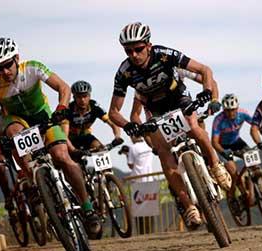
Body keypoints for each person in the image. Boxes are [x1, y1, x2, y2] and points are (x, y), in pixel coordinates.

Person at [108, 22, 230, 228]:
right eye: (128, 51)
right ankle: (188, 205)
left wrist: (209, 93)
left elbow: (204, 70)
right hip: (154, 108)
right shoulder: (125, 72)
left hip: (177, 97)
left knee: (192, 124)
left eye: (138, 49)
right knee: (163, 151)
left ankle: (216, 165)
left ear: (148, 45)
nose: (134, 55)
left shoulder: (164, 55)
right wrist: (130, 126)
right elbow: (114, 112)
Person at [0, 37, 101, 237]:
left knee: (62, 157)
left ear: (17, 58)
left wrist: (61, 107)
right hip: (17, 120)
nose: (5, 71)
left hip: (42, 117)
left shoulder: (33, 68)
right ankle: (35, 183)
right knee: (12, 131)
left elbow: (64, 87)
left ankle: (88, 208)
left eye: (8, 65)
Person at [59, 80, 122, 155]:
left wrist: (117, 137)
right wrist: (73, 150)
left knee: (101, 151)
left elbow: (113, 123)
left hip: (86, 136)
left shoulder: (94, 106)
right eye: (79, 97)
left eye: (85, 96)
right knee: (73, 163)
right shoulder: (68, 110)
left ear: (89, 96)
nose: (82, 100)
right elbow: (64, 135)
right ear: (74, 97)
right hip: (70, 139)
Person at [211, 93, 253, 192]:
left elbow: (256, 125)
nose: (231, 113)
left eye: (233, 110)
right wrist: (223, 152)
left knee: (253, 162)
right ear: (224, 110)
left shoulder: (243, 113)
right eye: (228, 111)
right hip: (222, 147)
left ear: (237, 108)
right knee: (234, 173)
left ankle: (256, 183)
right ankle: (238, 193)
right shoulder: (218, 120)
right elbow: (214, 142)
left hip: (236, 142)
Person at [119, 136, 155, 234]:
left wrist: (127, 154)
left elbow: (130, 165)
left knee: (139, 210)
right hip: (150, 179)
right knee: (150, 209)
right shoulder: (148, 145)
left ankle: (142, 233)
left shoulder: (133, 148)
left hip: (137, 180)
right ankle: (151, 232)